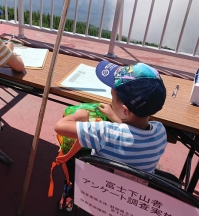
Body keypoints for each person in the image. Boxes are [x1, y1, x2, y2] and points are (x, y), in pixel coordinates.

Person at [54, 61, 167, 211]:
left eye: (112, 96)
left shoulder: (104, 132)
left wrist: (80, 115)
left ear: (125, 111)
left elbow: (60, 127)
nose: (111, 98)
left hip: (99, 192)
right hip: (131, 199)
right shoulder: (160, 132)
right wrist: (116, 117)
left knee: (72, 152)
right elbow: (132, 135)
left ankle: (70, 193)